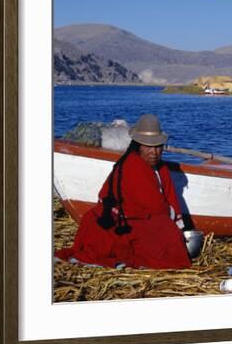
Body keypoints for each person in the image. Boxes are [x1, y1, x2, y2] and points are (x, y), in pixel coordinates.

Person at [55, 114, 191, 269]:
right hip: (121, 219)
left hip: (140, 216)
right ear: (138, 145)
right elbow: (155, 207)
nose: (154, 152)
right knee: (166, 229)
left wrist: (179, 226)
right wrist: (171, 223)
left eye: (157, 147)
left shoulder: (161, 168)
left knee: (167, 228)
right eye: (148, 147)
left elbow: (168, 198)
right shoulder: (133, 165)